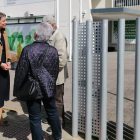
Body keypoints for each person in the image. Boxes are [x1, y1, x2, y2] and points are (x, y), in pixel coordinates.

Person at [13, 22, 62, 140]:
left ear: (36, 34)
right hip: (49, 88)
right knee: (53, 112)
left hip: (32, 89)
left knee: (35, 117)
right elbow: (55, 72)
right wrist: (50, 83)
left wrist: (17, 89)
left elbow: (20, 72)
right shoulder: (53, 51)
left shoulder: (27, 50)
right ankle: (58, 137)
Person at [42, 15, 68, 132]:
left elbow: (61, 60)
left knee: (57, 99)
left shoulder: (59, 37)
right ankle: (53, 118)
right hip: (49, 75)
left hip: (56, 75)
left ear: (52, 25)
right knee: (51, 98)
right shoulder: (50, 35)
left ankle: (58, 123)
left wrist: (48, 71)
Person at [0, 12, 11, 126]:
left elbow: (7, 49)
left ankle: (0, 117)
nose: (6, 22)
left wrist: (8, 61)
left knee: (2, 93)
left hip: (3, 69)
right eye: (3, 21)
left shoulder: (4, 33)